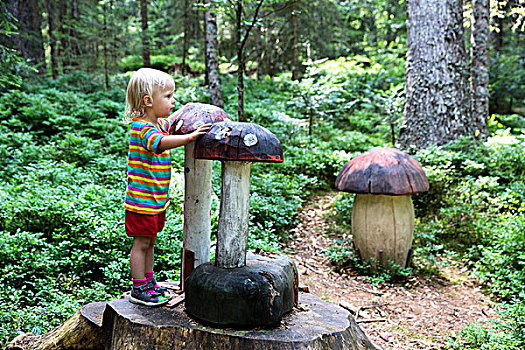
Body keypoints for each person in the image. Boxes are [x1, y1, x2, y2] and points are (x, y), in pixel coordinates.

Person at [123, 68, 210, 306]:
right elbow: (161, 143)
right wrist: (190, 138)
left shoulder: (159, 123)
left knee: (150, 242)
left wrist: (188, 110)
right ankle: (138, 288)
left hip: (155, 202)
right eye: (168, 97)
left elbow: (171, 122)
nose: (173, 101)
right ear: (148, 101)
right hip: (141, 203)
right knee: (141, 244)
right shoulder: (141, 128)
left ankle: (149, 282)